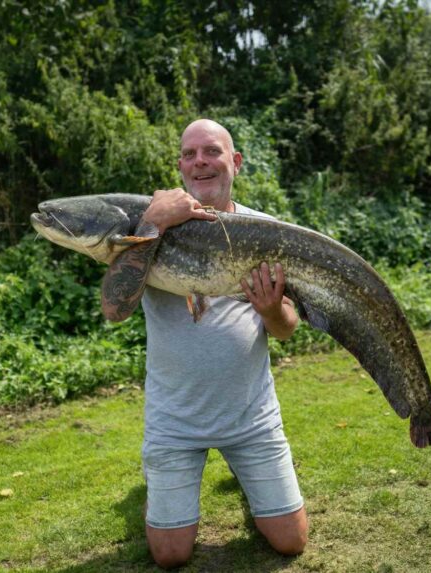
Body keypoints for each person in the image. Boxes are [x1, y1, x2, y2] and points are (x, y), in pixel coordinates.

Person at [100, 119, 308, 568]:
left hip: (251, 418)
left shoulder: (264, 230)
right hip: (174, 423)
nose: (200, 161)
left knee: (291, 542)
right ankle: (161, 488)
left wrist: (272, 310)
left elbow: (286, 329)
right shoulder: (146, 227)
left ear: (235, 162)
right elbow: (114, 310)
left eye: (212, 151)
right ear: (180, 167)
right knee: (171, 556)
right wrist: (153, 222)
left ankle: (244, 472)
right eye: (189, 154)